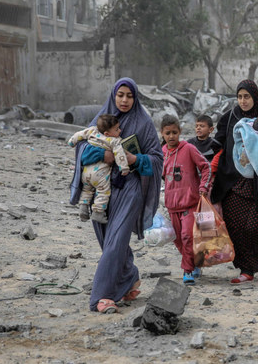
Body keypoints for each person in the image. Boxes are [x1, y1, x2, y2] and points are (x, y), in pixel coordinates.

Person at [70, 77, 163, 314]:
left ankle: (103, 296)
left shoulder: (143, 123)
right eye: (120, 95)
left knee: (115, 242)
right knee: (107, 239)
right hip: (100, 189)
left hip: (128, 188)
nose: (124, 100)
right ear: (113, 95)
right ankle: (129, 275)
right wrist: (105, 155)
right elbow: (82, 148)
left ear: (135, 98)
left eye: (129, 96)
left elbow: (156, 159)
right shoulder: (102, 119)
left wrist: (134, 159)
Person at [210, 79, 258, 284]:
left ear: (255, 97)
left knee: (254, 226)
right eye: (240, 97)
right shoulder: (230, 117)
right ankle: (247, 270)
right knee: (235, 227)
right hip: (233, 182)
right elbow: (217, 143)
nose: (243, 101)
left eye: (247, 97)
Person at [161, 114, 211, 286]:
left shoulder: (188, 149)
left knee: (187, 236)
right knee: (177, 238)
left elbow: (206, 167)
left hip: (190, 203)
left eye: (175, 132)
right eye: (168, 133)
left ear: (180, 132)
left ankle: (187, 271)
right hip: (171, 204)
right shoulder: (163, 153)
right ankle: (194, 262)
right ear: (162, 134)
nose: (171, 136)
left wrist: (203, 187)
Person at [68, 114, 130, 224]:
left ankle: (83, 207)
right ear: (107, 133)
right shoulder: (114, 140)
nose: (120, 131)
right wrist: (124, 168)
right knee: (103, 191)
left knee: (87, 190)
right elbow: (120, 155)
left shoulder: (92, 131)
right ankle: (98, 212)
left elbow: (79, 135)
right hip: (100, 174)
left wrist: (72, 141)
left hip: (86, 172)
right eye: (117, 129)